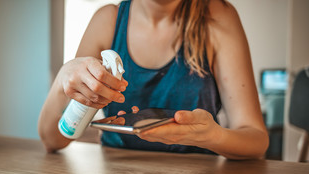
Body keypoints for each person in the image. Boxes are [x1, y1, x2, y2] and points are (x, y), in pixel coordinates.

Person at [38, 0, 269, 159]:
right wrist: (63, 78)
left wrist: (212, 136)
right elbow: (52, 140)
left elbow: (256, 140)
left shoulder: (218, 17)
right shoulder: (107, 21)